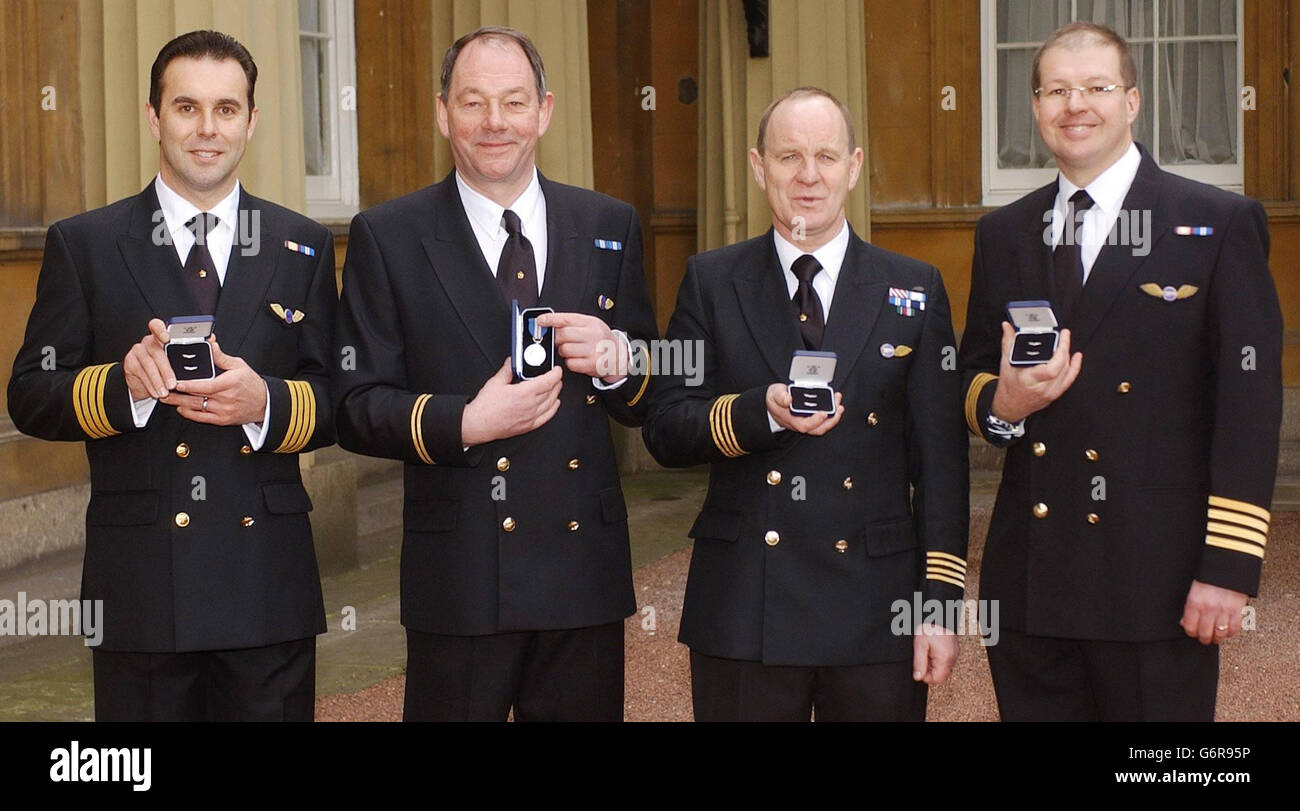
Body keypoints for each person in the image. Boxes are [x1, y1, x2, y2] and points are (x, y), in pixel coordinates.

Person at [331, 26, 657, 722]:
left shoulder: (610, 224)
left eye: (512, 102)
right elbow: (355, 402)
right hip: (461, 577)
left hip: (582, 580)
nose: (494, 122)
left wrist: (619, 360)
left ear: (544, 110)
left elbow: (654, 392)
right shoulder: (388, 236)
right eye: (473, 102)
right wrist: (466, 422)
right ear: (442, 112)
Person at [7, 30, 335, 721]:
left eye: (226, 108)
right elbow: (31, 393)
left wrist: (265, 402)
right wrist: (119, 386)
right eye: (186, 108)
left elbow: (342, 397)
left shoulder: (300, 244)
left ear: (252, 121)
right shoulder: (87, 244)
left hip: (265, 587)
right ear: (155, 119)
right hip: (142, 590)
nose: (207, 128)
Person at [959, 22, 1282, 721]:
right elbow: (975, 375)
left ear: (1133, 101)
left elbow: (1249, 406)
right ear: (1037, 107)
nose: (1076, 105)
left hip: (1156, 582)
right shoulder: (1004, 232)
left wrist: (1227, 569)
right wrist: (1004, 404)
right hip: (1031, 582)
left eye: (1097, 88)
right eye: (1056, 90)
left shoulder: (1215, 222)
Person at [642, 87, 968, 721]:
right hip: (746, 604)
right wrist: (758, 412)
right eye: (790, 156)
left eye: (826, 155)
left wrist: (938, 609)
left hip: (877, 607)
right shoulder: (712, 280)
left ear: (854, 165)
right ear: (760, 168)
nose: (809, 175)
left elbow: (942, 466)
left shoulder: (914, 287)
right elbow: (665, 426)